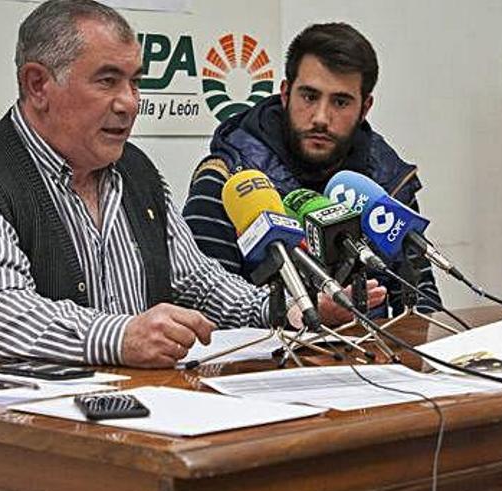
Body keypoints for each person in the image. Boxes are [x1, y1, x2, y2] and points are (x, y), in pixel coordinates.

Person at [0, 0, 384, 371]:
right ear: (38, 85)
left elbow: (198, 283)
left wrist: (289, 312)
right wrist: (120, 337)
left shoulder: (135, 171)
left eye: (135, 82)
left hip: (129, 420)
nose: (129, 103)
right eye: (108, 81)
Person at [182, 22, 442, 317]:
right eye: (309, 96)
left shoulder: (387, 184)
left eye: (340, 102)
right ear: (285, 94)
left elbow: (422, 302)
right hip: (269, 357)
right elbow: (202, 307)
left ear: (365, 108)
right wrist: (302, 315)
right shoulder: (228, 181)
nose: (321, 117)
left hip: (380, 356)